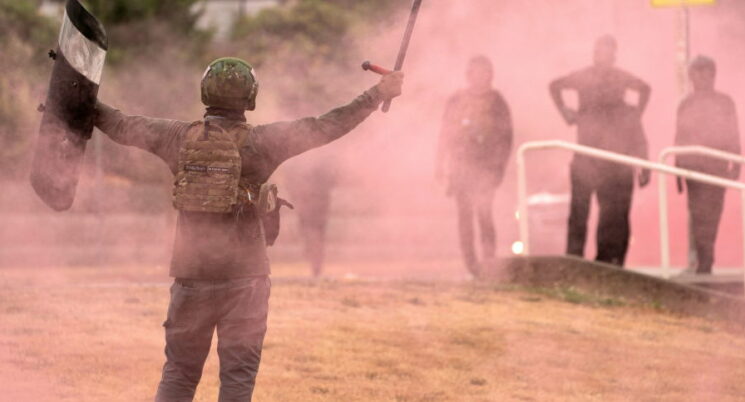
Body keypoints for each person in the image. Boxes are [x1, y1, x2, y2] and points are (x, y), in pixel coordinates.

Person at [93, 57, 403, 401]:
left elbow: (120, 124)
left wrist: (81, 100)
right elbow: (326, 125)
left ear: (204, 94)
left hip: (190, 277)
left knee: (179, 374)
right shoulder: (262, 143)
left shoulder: (177, 137)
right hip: (246, 279)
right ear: (251, 97)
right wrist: (377, 94)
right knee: (237, 380)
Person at [549, 35, 651, 266]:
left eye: (608, 53)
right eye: (599, 52)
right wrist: (565, 111)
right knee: (579, 214)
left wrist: (644, 165)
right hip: (586, 159)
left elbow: (645, 93)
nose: (605, 87)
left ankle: (608, 263)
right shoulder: (585, 79)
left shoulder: (625, 109)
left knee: (613, 216)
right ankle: (574, 262)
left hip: (615, 166)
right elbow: (554, 85)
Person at [436, 56, 513, 277]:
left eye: (485, 72)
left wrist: (499, 168)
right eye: (476, 72)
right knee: (465, 217)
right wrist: (440, 164)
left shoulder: (497, 102)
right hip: (461, 167)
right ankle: (472, 266)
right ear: (469, 75)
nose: (480, 76)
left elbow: (505, 138)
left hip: (486, 168)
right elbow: (445, 133)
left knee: (485, 214)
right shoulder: (456, 100)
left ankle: (488, 263)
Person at [674, 55, 741, 274]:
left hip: (716, 166)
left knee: (712, 214)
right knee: (697, 214)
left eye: (707, 72)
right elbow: (680, 135)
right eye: (698, 72)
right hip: (693, 167)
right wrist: (677, 168)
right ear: (691, 76)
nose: (703, 77)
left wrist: (736, 162)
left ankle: (705, 259)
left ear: (714, 75)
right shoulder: (686, 103)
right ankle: (703, 260)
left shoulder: (725, 102)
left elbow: (733, 133)